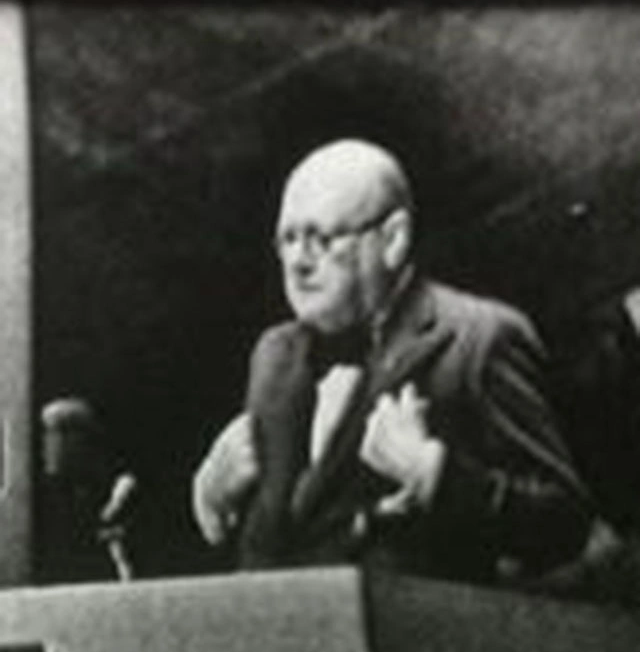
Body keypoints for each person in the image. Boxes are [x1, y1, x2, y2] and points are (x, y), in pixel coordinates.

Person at [192, 138, 592, 585]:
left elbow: (565, 524)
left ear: (393, 239)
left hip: (421, 628)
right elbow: (291, 535)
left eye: (321, 238)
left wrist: (434, 475)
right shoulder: (273, 356)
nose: (298, 261)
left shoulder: (481, 338)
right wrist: (214, 503)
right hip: (282, 627)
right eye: (288, 239)